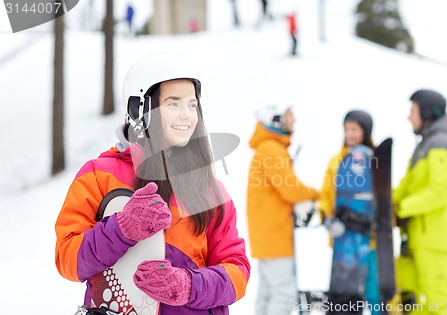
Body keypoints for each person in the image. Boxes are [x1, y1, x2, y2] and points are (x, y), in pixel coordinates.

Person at [55, 53, 250, 315]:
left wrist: (190, 286)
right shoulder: (99, 175)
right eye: (173, 104)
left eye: (193, 105)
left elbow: (238, 271)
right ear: (139, 109)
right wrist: (121, 229)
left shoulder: (210, 189)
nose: (187, 116)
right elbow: (67, 259)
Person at [247, 104, 319, 315]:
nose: (294, 119)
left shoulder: (268, 148)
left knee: (268, 292)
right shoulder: (271, 149)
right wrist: (318, 194)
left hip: (268, 234)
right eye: (289, 115)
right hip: (275, 234)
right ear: (277, 119)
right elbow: (291, 189)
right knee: (283, 294)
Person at [393, 89, 447, 315]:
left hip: (433, 241)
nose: (409, 117)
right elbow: (408, 186)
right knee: (411, 305)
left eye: (413, 111)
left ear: (427, 113)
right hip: (415, 238)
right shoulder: (424, 145)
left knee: (437, 304)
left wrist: (402, 208)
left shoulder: (441, 145)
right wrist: (385, 200)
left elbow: (441, 192)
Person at [319, 110, 379, 315]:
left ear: (365, 131)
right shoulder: (337, 161)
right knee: (344, 296)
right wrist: (327, 219)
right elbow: (326, 197)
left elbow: (385, 197)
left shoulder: (376, 160)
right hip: (343, 242)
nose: (349, 134)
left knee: (373, 294)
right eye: (346, 130)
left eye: (354, 129)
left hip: (370, 243)